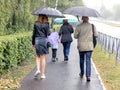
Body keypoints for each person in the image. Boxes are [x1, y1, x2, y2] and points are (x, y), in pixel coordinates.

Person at [74, 16, 98, 81]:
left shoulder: (78, 26)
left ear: (82, 19)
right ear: (88, 18)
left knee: (81, 60)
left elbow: (75, 36)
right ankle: (88, 76)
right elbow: (96, 35)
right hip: (89, 46)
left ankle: (82, 73)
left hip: (81, 46)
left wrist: (80, 35)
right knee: (88, 60)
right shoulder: (92, 26)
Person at [32, 14, 51, 79]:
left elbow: (33, 34)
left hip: (37, 40)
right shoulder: (47, 24)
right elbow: (48, 33)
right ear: (46, 17)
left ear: (39, 17)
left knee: (37, 56)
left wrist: (33, 43)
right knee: (43, 58)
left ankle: (38, 69)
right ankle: (42, 74)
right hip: (44, 40)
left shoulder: (36, 24)